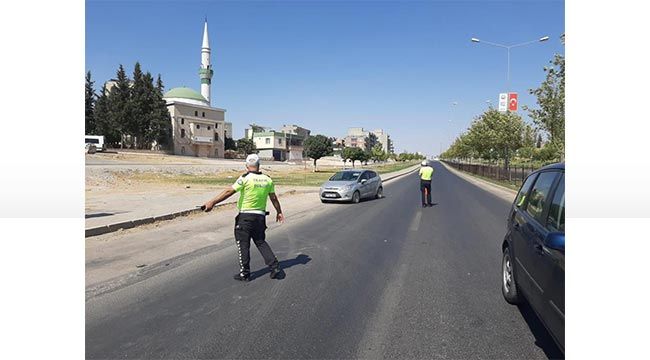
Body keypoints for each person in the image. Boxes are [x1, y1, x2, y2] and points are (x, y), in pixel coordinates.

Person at [202, 154, 284, 281]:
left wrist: (212, 202)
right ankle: (275, 266)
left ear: (246, 166)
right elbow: (273, 198)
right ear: (259, 165)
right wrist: (279, 212)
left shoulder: (245, 178)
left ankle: (245, 273)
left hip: (245, 217)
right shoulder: (267, 179)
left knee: (243, 244)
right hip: (260, 217)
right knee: (261, 242)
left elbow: (229, 191)